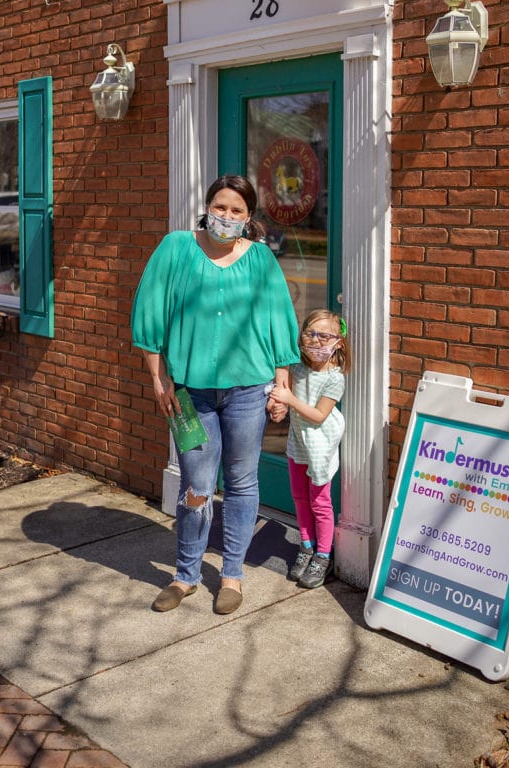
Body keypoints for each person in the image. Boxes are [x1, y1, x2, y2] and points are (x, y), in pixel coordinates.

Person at [131, 174, 300, 614]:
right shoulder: (176, 248)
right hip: (191, 394)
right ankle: (185, 575)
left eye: (237, 211)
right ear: (208, 207)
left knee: (242, 483)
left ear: (249, 218)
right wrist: (158, 378)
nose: (226, 217)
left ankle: (232, 574)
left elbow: (278, 321)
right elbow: (150, 312)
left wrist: (282, 382)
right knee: (197, 485)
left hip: (248, 390)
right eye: (220, 207)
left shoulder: (261, 260)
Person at [267, 309, 351, 589]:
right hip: (298, 442)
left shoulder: (335, 377)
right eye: (311, 334)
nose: (317, 341)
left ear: (338, 342)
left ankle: (323, 555)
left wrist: (289, 399)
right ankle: (306, 545)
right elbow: (281, 392)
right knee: (299, 497)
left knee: (320, 503)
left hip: (321, 445)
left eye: (325, 336)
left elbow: (319, 415)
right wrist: (279, 402)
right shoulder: (297, 369)